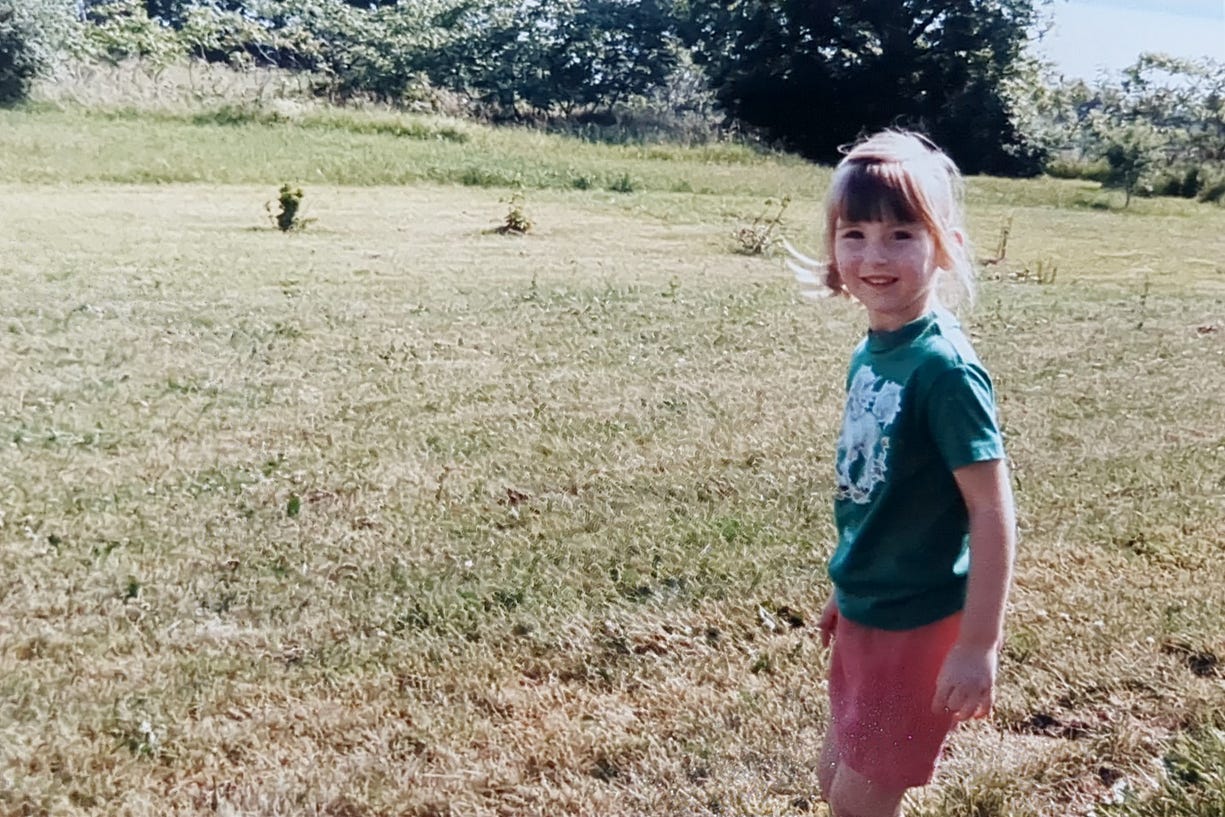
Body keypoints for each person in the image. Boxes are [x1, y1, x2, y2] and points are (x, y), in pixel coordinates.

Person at [789, 130, 1017, 817]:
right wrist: (847, 585)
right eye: (854, 234)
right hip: (870, 606)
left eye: (900, 234)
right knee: (835, 777)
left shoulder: (943, 370)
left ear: (943, 244)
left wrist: (976, 646)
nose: (873, 256)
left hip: (916, 621)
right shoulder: (875, 348)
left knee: (859, 799)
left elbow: (990, 509)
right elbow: (877, 492)